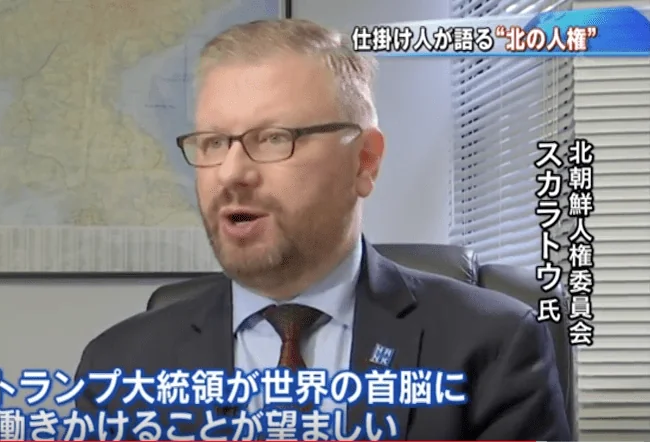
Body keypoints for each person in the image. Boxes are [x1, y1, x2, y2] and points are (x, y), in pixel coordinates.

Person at [75, 18, 571, 440]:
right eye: (212, 143)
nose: (230, 173)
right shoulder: (116, 365)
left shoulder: (492, 344)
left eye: (273, 138)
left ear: (365, 161)